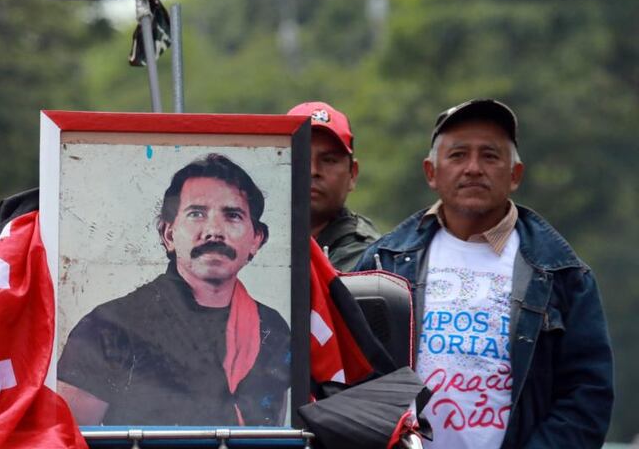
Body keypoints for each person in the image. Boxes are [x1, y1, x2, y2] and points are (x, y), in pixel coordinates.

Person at [354, 99, 614, 448]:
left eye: (490, 156)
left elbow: (587, 396)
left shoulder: (563, 275)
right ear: (431, 172)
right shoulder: (383, 263)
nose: (473, 168)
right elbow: (346, 378)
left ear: (515, 175)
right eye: (458, 155)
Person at [57, 153, 290, 426]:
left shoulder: (272, 329)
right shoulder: (109, 327)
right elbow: (66, 438)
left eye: (233, 216)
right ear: (168, 235)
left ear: (256, 240)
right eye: (197, 214)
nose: (214, 231)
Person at [287, 101, 380, 271]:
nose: (313, 171)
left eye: (328, 160)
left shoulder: (367, 257)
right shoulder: (249, 242)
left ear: (353, 174)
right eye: (300, 158)